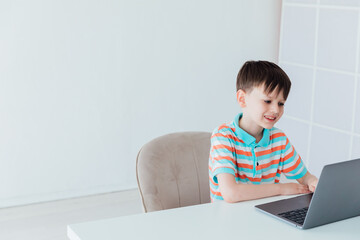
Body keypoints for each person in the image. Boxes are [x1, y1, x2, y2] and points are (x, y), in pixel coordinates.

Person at [209, 60, 318, 203]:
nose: (276, 110)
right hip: (227, 220)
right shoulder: (223, 137)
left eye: (281, 103)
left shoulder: (279, 139)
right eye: (267, 101)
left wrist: (314, 182)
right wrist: (281, 189)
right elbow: (231, 193)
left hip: (262, 217)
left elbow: (304, 177)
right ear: (242, 99)